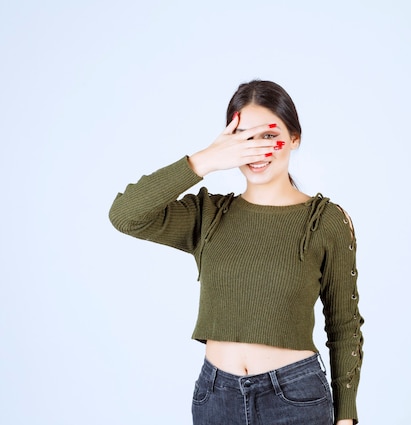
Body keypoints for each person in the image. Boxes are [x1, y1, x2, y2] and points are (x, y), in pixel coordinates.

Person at [109, 80, 364, 425]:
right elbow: (125, 215)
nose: (256, 150)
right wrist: (203, 161)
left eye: (268, 136)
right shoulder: (209, 215)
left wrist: (346, 416)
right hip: (216, 397)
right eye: (244, 138)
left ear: (294, 139)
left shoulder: (325, 221)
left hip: (295, 398)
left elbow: (344, 324)